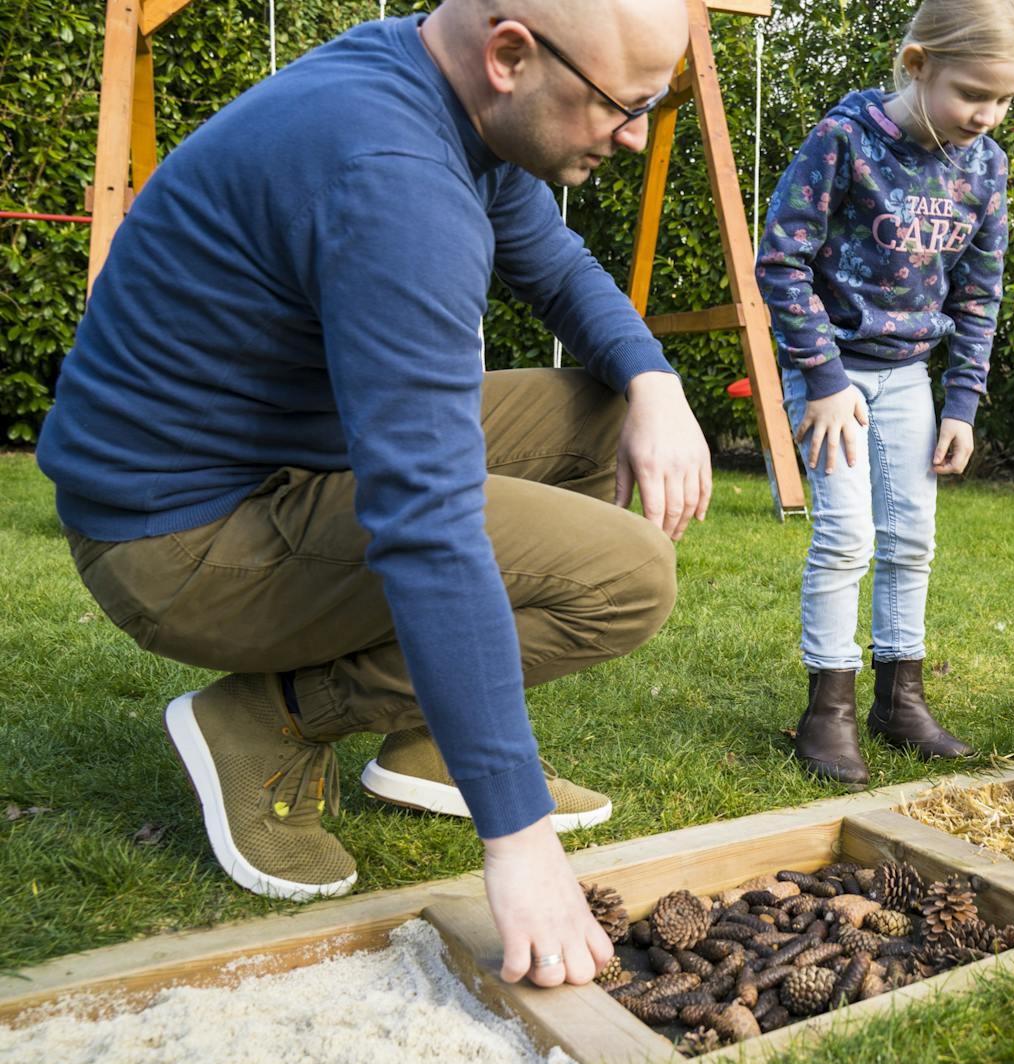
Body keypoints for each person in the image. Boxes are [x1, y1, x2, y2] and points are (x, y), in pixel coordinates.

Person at [35, 0, 710, 986]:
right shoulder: (392, 179)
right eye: (623, 104)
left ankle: (428, 738)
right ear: (511, 54)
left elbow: (557, 265)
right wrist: (514, 829)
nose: (638, 133)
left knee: (605, 414)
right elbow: (427, 522)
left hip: (282, 461)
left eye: (659, 103)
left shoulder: (438, 89)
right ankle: (272, 720)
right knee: (626, 577)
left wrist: (656, 380)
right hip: (178, 539)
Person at [753, 0, 1014, 785]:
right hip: (832, 373)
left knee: (911, 537)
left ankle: (901, 701)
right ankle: (827, 712)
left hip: (909, 377)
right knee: (846, 536)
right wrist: (822, 380)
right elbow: (782, 262)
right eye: (973, 95)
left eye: (1004, 101)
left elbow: (978, 293)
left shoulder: (984, 167)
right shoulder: (845, 141)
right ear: (919, 63)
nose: (987, 116)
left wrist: (961, 402)